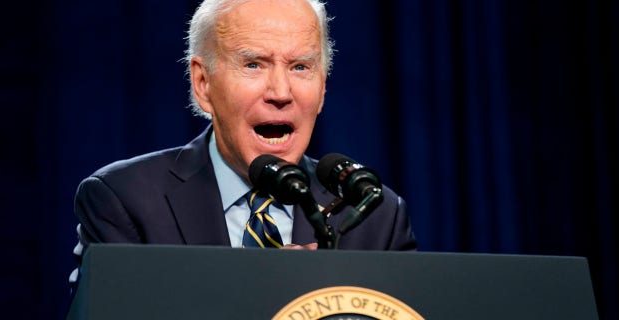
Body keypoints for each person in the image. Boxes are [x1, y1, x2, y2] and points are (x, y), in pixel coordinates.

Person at [70, 0, 417, 283]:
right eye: (253, 64)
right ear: (203, 83)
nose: (281, 93)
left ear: (323, 88)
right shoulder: (125, 199)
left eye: (300, 67)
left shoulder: (375, 213)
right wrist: (259, 297)